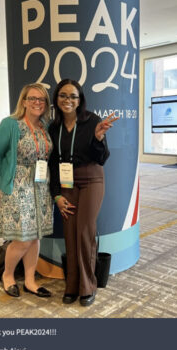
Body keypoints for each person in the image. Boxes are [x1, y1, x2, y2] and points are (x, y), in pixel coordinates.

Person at [47, 79, 116, 306]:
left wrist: (99, 139)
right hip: (66, 182)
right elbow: (52, 164)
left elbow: (102, 158)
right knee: (69, 231)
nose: (68, 100)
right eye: (63, 95)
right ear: (57, 99)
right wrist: (56, 194)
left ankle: (88, 285)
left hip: (91, 179)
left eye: (73, 96)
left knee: (85, 231)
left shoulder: (92, 121)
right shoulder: (54, 126)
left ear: (80, 99)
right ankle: (72, 284)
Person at [0, 83, 54, 299]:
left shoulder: (44, 126)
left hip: (40, 187)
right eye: (32, 98)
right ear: (23, 101)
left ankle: (30, 281)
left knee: (35, 238)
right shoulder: (11, 124)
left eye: (41, 99)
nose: (37, 102)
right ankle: (8, 275)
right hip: (17, 186)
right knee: (22, 238)